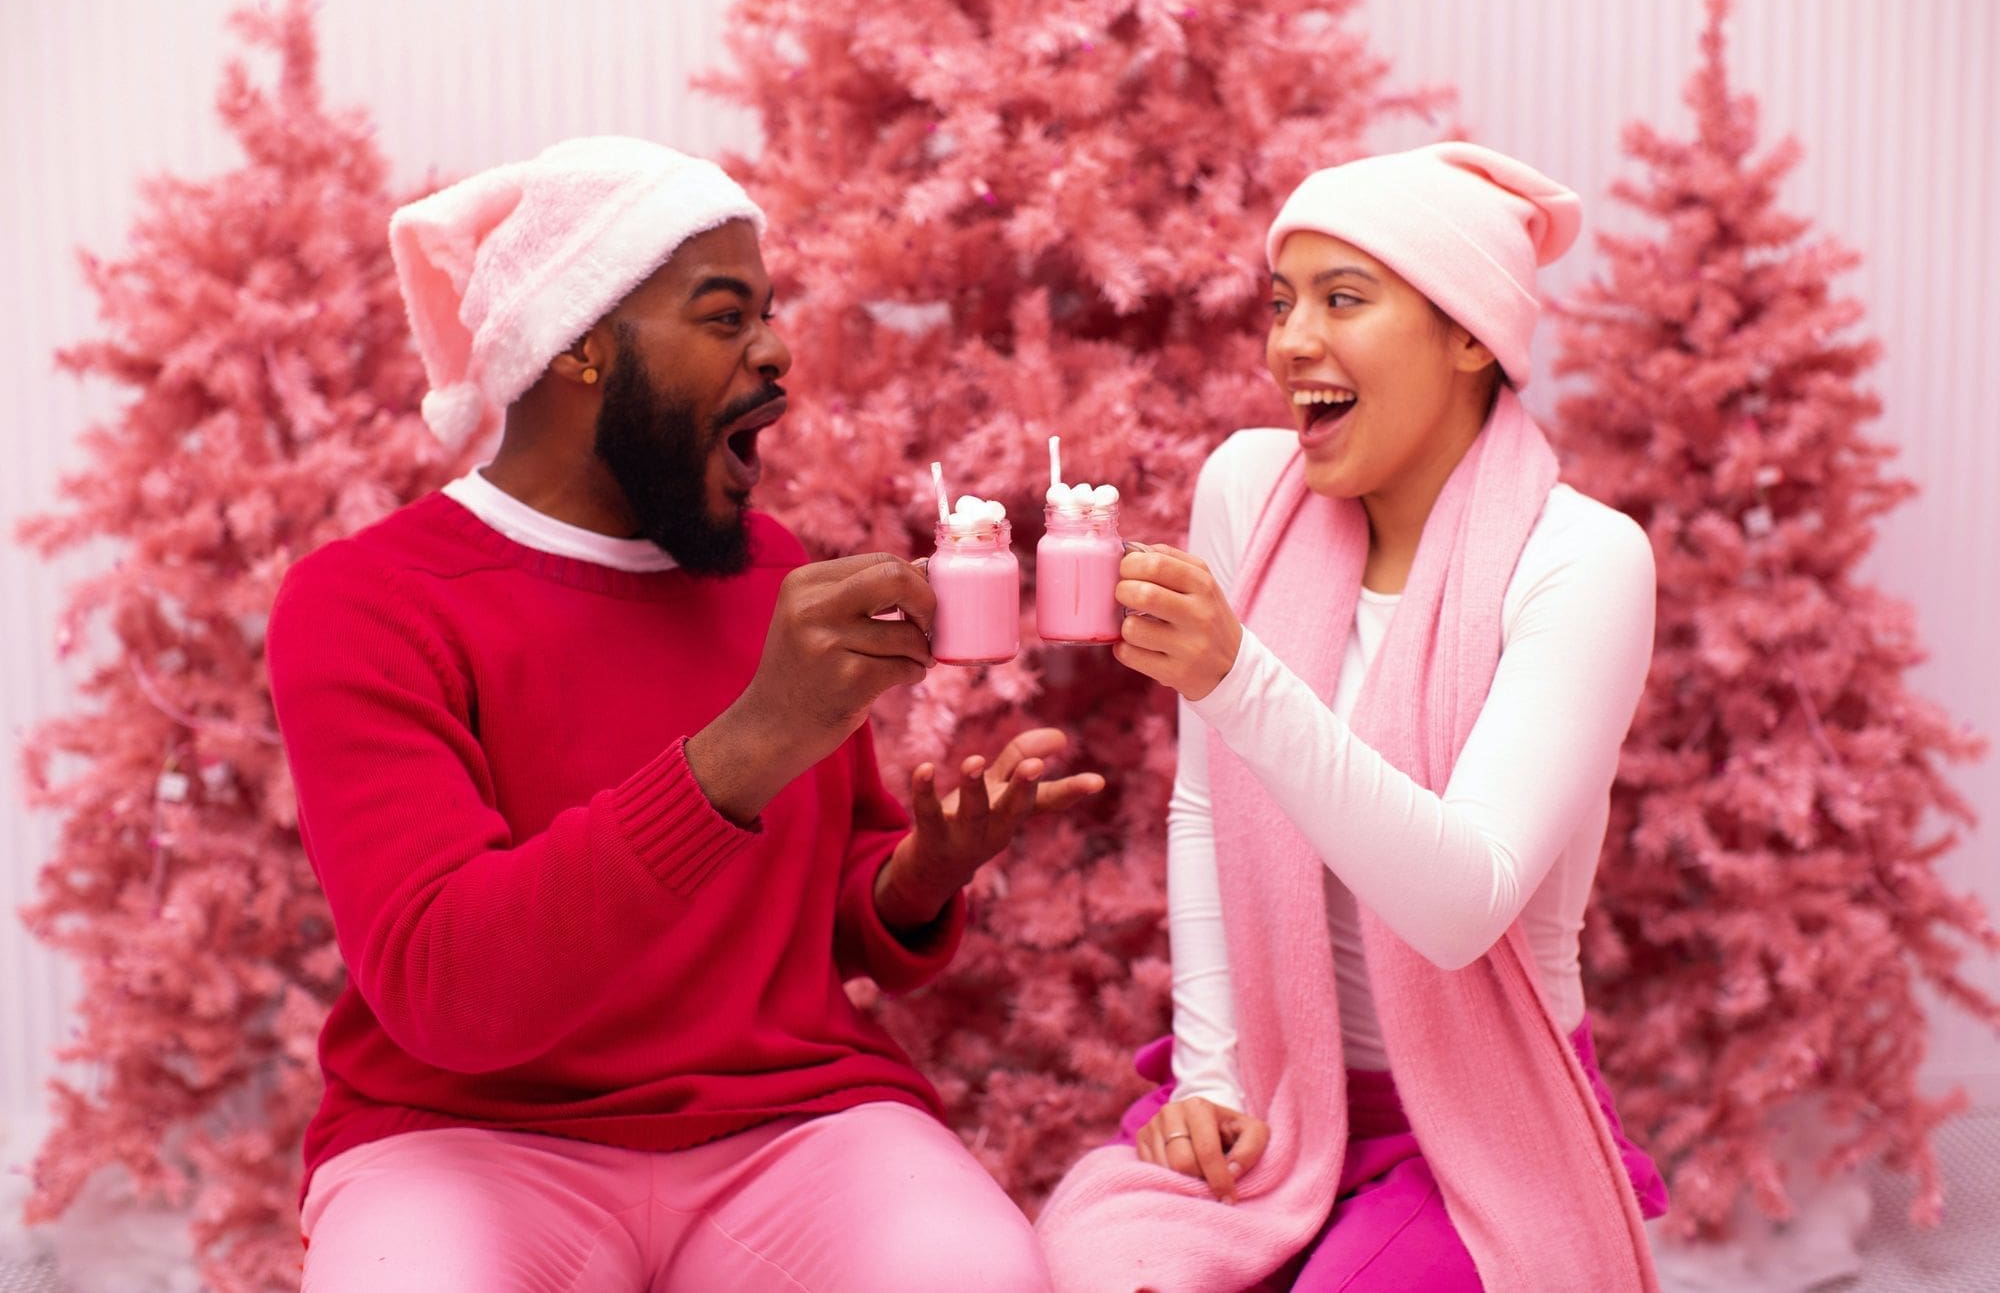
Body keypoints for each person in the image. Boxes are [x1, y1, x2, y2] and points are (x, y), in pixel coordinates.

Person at [265, 136, 1098, 1292]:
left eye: (766, 311)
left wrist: (910, 878)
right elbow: (443, 989)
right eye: (722, 316)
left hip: (790, 1122)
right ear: (586, 347)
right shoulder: (368, 602)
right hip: (466, 1134)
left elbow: (815, 919)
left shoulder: (770, 571)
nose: (775, 350)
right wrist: (746, 745)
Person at [1035, 143, 1670, 1292]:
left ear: (1469, 334)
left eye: (1341, 300)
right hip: (1285, 1089)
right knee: (1098, 1256)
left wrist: (1239, 679)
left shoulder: (1581, 560)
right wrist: (1212, 1081)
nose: (1289, 343)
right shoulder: (1247, 490)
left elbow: (1459, 902)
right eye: (1280, 304)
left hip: (1490, 1116)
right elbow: (1199, 805)